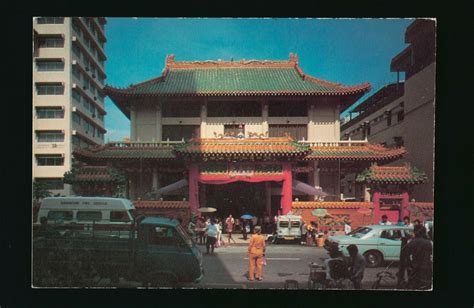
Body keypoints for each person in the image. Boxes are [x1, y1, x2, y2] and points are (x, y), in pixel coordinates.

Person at [405, 225, 432, 289]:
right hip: (426, 267)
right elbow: (430, 255)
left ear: (415, 232)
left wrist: (410, 266)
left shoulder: (411, 242)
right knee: (425, 286)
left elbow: (407, 257)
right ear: (424, 232)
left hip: (415, 267)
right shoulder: (428, 242)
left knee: (415, 285)